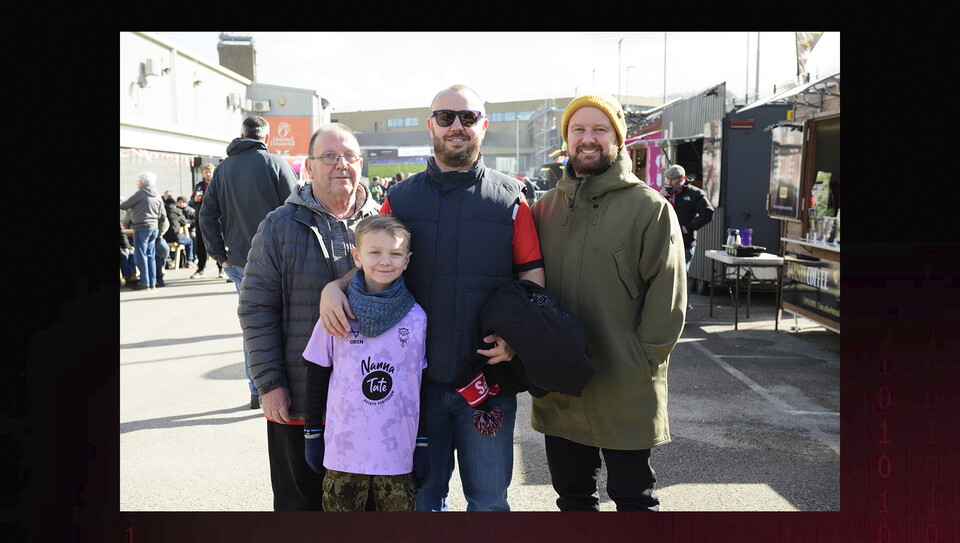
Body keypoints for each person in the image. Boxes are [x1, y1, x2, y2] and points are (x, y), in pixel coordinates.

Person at [319, 84, 545, 512]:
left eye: (468, 117)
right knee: (423, 504)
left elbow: (532, 276)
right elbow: (373, 258)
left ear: (483, 125)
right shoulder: (401, 198)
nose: (456, 126)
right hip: (414, 387)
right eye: (446, 117)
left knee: (489, 504)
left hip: (487, 383)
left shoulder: (510, 199)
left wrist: (520, 337)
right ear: (431, 125)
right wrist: (336, 286)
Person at [530, 93, 687, 512]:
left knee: (635, 500)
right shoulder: (544, 209)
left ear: (618, 139)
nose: (588, 138)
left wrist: (642, 361)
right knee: (573, 499)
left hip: (624, 381)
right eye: (578, 129)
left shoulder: (649, 208)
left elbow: (669, 297)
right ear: (566, 139)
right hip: (561, 387)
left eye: (600, 129)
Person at [238, 123, 379, 511]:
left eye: (349, 156)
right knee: (300, 507)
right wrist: (269, 383)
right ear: (309, 166)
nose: (341, 164)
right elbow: (256, 308)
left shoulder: (384, 224)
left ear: (361, 164)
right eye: (329, 156)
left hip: (369, 403)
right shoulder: (278, 226)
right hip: (299, 399)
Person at [302, 214, 429, 511]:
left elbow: (420, 386)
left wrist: (422, 441)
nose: (385, 261)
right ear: (357, 257)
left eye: (395, 254)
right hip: (344, 450)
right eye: (374, 252)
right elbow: (317, 373)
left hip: (397, 452)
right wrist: (312, 432)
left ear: (407, 260)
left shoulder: (417, 318)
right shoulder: (336, 312)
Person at [199, 116, 299, 409]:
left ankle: (258, 389)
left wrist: (219, 256)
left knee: (254, 325)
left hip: (240, 260)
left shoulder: (222, 169)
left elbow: (206, 215)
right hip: (279, 258)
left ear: (242, 135)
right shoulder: (275, 164)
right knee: (285, 323)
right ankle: (282, 387)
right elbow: (298, 208)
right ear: (266, 138)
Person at [659, 164, 714, 273]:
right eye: (667, 179)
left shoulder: (695, 193)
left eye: (672, 179)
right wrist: (659, 197)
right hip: (665, 243)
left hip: (685, 243)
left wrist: (688, 227)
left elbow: (708, 213)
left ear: (682, 179)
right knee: (664, 276)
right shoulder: (664, 192)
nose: (669, 182)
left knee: (680, 276)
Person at [119, 172, 164, 290]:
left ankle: (144, 283)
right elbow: (160, 214)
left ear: (141, 182)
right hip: (154, 227)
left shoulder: (140, 193)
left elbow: (124, 206)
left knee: (141, 256)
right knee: (150, 255)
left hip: (141, 227)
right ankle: (152, 282)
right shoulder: (157, 194)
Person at [189, 162, 223, 279]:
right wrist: (195, 199)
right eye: (205, 172)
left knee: (218, 241)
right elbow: (192, 201)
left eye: (210, 171)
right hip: (201, 218)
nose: (208, 174)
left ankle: (221, 267)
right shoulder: (199, 185)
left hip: (216, 218)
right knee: (200, 243)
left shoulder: (218, 183)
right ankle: (201, 268)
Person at [165, 197, 194, 266]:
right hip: (176, 236)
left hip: (164, 238)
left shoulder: (163, 211)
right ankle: (189, 260)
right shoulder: (177, 211)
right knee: (189, 241)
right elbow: (184, 222)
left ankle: (173, 260)